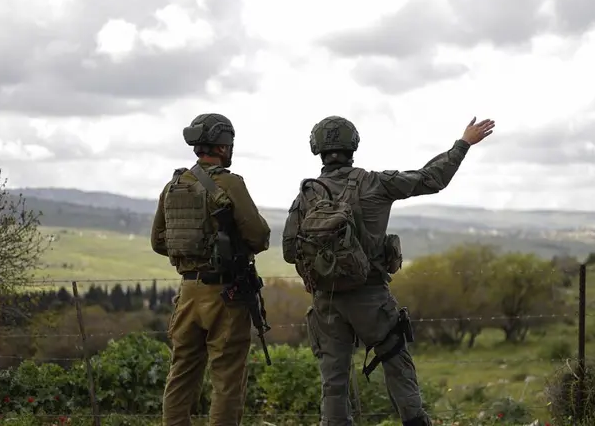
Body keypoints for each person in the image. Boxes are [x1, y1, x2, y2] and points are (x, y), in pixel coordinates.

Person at [281, 115, 496, 425]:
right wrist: (463, 144)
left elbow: (289, 251)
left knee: (334, 379)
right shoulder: (375, 183)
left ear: (317, 148)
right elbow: (431, 179)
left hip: (327, 301)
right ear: (353, 145)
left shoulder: (307, 195)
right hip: (371, 297)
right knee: (397, 363)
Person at [150, 113, 271, 426]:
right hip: (225, 296)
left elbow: (158, 241)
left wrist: (192, 259)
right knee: (227, 380)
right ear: (222, 146)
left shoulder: (173, 185)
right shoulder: (229, 183)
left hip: (188, 293)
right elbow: (259, 237)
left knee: (181, 375)